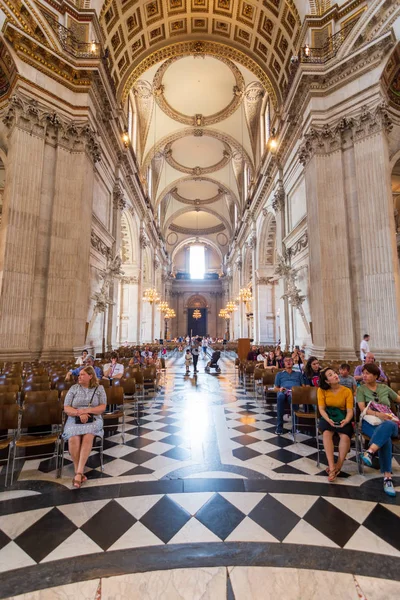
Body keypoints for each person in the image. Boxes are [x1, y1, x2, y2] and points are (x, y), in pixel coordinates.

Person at [357, 363, 400, 497]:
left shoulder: (384, 388)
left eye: (368, 373)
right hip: (370, 422)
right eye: (363, 373)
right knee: (385, 438)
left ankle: (370, 452)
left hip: (389, 422)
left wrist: (384, 416)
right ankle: (387, 478)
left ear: (376, 375)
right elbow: (362, 409)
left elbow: (398, 399)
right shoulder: (361, 389)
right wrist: (378, 414)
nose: (364, 375)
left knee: (388, 424)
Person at [62, 366, 107, 489]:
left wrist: (87, 411)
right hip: (74, 418)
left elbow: (103, 407)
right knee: (73, 438)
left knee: (88, 436)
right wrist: (79, 413)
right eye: (79, 374)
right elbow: (66, 407)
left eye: (82, 374)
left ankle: (78, 473)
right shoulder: (74, 388)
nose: (79, 376)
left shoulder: (99, 389)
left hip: (94, 418)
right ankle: (79, 471)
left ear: (90, 376)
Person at [317, 367, 354, 482]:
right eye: (330, 375)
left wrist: (346, 420)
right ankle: (331, 466)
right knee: (327, 433)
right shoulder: (321, 390)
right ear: (327, 381)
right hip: (328, 415)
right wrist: (328, 419)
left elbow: (350, 411)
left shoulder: (347, 391)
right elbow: (321, 409)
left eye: (334, 373)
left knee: (345, 436)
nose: (335, 375)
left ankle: (338, 466)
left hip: (343, 416)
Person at [273, 357, 305, 435]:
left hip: (294, 392)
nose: (288, 362)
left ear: (293, 362)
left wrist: (297, 390)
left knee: (293, 397)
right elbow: (275, 388)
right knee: (280, 396)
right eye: (286, 361)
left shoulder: (298, 374)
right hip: (283, 391)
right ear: (284, 363)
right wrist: (280, 389)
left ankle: (295, 427)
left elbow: (303, 387)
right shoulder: (279, 374)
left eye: (290, 360)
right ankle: (279, 427)